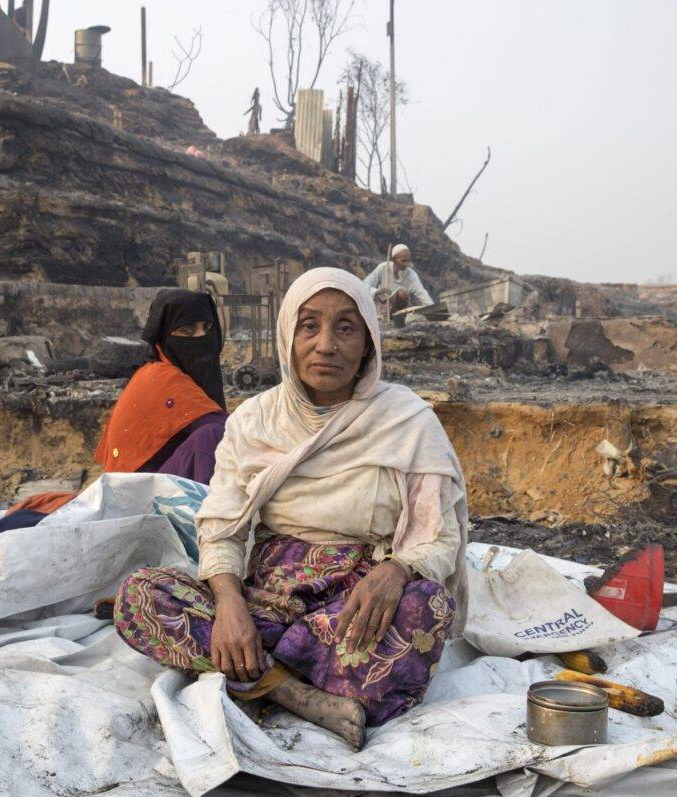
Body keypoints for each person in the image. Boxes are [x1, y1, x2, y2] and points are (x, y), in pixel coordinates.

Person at [114, 268, 468, 750]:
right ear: (288, 336)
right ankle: (293, 690)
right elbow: (221, 525)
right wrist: (230, 604)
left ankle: (250, 672)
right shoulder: (255, 420)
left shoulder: (408, 421)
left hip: (354, 607)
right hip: (268, 597)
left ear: (367, 342)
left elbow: (438, 535)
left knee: (426, 606)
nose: (325, 344)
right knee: (140, 595)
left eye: (345, 328)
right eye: (309, 326)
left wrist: (398, 571)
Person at [94, 289, 228, 485]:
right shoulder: (162, 378)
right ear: (164, 338)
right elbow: (231, 428)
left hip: (161, 481)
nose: (201, 338)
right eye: (188, 331)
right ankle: (213, 513)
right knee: (211, 436)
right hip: (136, 492)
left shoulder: (168, 372)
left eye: (207, 328)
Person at [362, 244, 434, 320]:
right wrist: (377, 291)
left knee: (402, 293)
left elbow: (422, 293)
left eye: (408, 261)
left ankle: (396, 317)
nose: (406, 264)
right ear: (393, 260)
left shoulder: (411, 275)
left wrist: (433, 308)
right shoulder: (383, 268)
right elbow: (363, 285)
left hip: (398, 308)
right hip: (380, 304)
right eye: (403, 261)